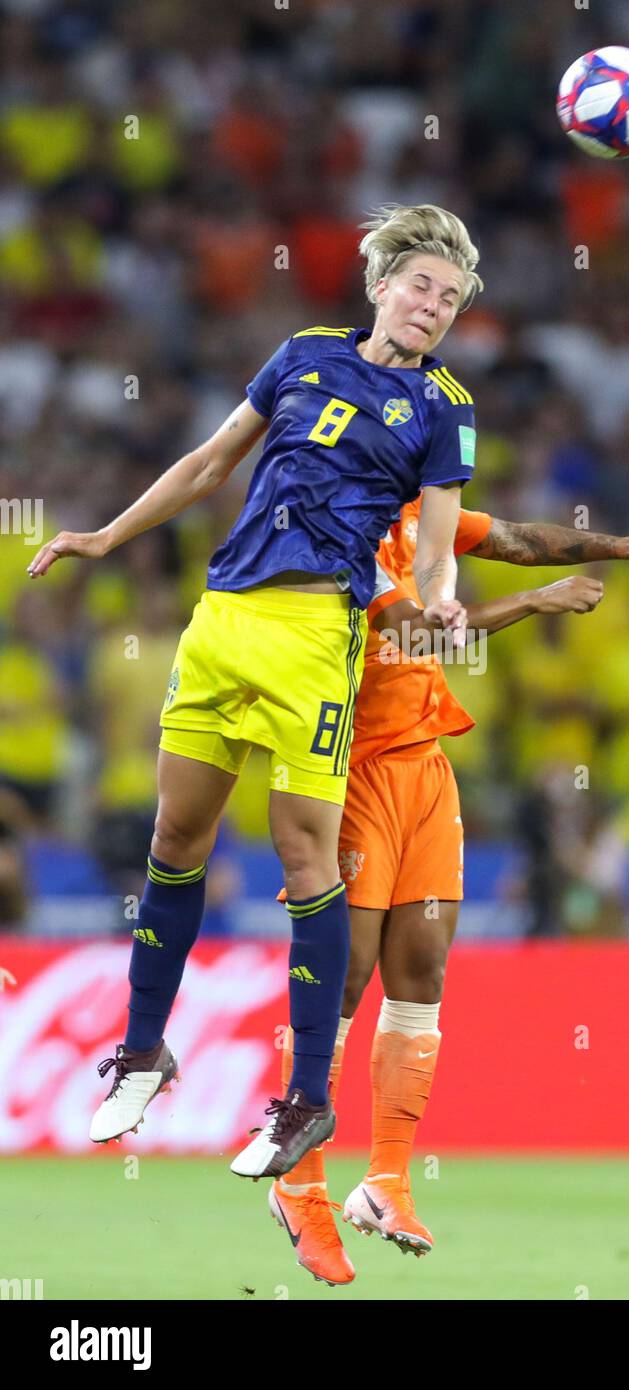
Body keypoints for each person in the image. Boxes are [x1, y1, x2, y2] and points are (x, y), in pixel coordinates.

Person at [25, 203, 482, 1179]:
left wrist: (441, 600)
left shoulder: (446, 408)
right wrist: (107, 534)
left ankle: (305, 1098)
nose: (431, 306)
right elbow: (208, 462)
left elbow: (437, 545)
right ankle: (145, 1052)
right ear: (379, 285)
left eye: (448, 298)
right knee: (174, 837)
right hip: (223, 616)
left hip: (317, 632)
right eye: (419, 285)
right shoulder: (303, 353)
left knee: (302, 854)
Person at [272, 502, 629, 1283]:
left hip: (425, 765)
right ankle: (298, 1182)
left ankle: (386, 1181)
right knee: (345, 973)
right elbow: (414, 634)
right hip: (353, 768)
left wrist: (627, 545)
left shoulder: (425, 510)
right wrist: (538, 603)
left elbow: (517, 540)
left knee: (423, 974)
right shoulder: (340, 519)